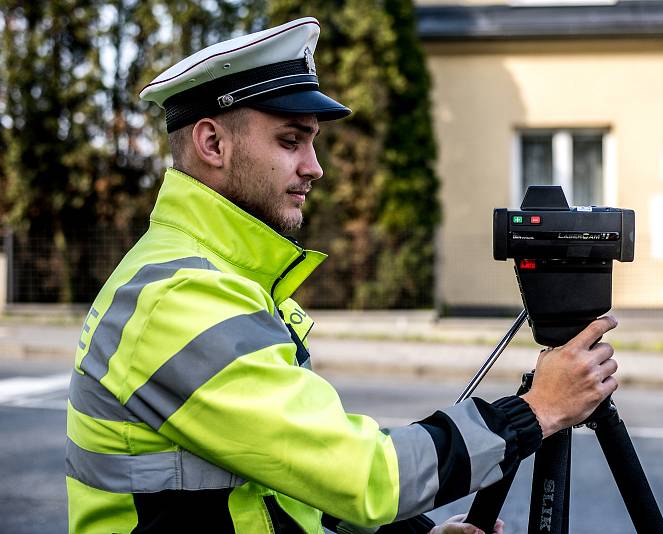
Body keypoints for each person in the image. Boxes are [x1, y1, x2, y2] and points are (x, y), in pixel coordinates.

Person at [65, 17, 619, 534]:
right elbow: (358, 474)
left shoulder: (227, 278)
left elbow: (291, 477)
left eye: (312, 141)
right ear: (213, 144)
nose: (315, 166)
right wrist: (536, 412)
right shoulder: (181, 297)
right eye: (290, 141)